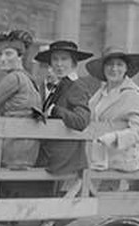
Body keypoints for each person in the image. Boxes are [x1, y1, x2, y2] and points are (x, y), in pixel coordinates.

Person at [0, 29, 41, 169]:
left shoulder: (15, 78)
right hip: (26, 151)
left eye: (8, 54)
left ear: (20, 56)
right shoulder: (29, 79)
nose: (2, 59)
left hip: (12, 151)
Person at [33, 40, 93, 175]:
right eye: (55, 59)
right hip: (50, 155)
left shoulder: (77, 86)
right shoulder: (60, 85)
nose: (59, 64)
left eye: (64, 59)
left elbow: (81, 121)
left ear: (74, 63)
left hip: (65, 161)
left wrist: (55, 110)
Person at [86, 46, 139, 173]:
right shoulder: (99, 94)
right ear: (103, 68)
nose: (114, 69)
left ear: (126, 68)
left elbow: (138, 131)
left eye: (119, 65)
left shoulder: (133, 95)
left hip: (120, 160)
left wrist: (113, 137)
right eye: (109, 64)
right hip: (96, 157)